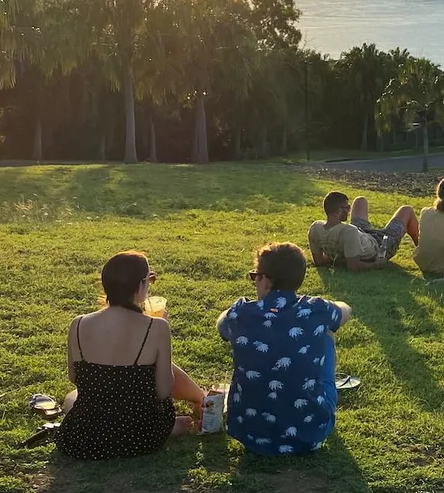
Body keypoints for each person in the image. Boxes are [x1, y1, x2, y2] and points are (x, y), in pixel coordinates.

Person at [55, 251, 207, 460]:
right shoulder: (157, 327)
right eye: (150, 279)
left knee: (73, 397)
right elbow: (163, 391)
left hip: (84, 439)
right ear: (141, 285)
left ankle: (178, 414)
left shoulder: (78, 323)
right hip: (141, 438)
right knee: (154, 377)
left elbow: (74, 377)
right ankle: (186, 413)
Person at [217, 242, 352, 456]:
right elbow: (346, 310)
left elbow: (221, 326)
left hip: (249, 433)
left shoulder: (239, 314)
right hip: (311, 433)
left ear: (265, 280)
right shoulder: (315, 309)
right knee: (326, 335)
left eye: (255, 276)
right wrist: (326, 306)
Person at [307, 190, 418, 271]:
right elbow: (354, 266)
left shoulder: (315, 228)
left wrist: (337, 258)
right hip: (378, 244)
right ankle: (421, 248)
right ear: (338, 211)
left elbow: (319, 261)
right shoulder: (349, 232)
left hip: (359, 235)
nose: (349, 209)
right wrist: (376, 265)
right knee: (406, 209)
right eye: (347, 208)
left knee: (360, 200)